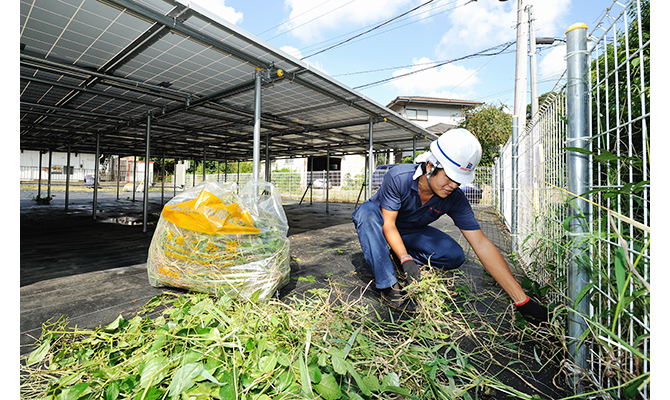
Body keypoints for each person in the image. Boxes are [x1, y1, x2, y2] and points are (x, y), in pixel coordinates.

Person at [352, 128, 548, 325]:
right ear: (430, 167)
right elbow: (389, 224)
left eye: (459, 181)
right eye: (450, 177)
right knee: (366, 213)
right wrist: (406, 259)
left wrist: (522, 301)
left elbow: (481, 244)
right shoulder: (398, 178)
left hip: (409, 231)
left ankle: (396, 255)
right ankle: (388, 285)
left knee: (453, 254)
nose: (454, 185)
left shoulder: (455, 198)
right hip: (382, 224)